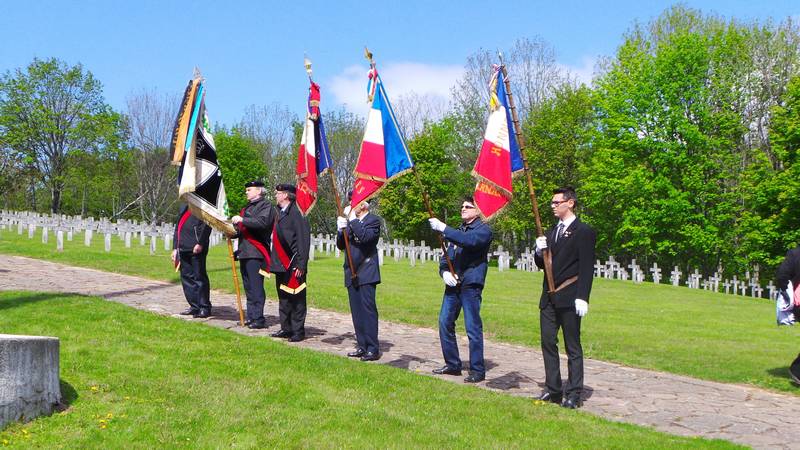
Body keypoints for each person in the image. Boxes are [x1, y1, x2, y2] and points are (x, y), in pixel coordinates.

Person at [534, 186, 596, 409]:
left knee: (572, 346)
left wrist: (583, 296)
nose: (552, 206)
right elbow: (544, 265)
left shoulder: (584, 231)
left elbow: (587, 266)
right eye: (552, 203)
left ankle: (574, 392)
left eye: (556, 202)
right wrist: (538, 251)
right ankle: (553, 389)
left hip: (570, 296)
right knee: (548, 342)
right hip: (549, 297)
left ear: (570, 203)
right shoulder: (551, 232)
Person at [428, 196, 493, 383]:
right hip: (453, 284)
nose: (463, 209)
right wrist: (444, 272)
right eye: (462, 206)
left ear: (478, 210)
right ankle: (453, 364)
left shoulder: (483, 230)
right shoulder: (458, 231)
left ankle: (477, 369)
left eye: (468, 206)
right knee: (444, 322)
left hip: (470, 284)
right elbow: (446, 256)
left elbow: (469, 242)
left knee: (472, 327)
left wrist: (443, 228)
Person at [336, 195, 382, 361]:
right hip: (351, 271)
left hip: (366, 271)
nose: (350, 204)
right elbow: (341, 245)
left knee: (368, 311)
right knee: (356, 312)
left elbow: (365, 238)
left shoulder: (373, 221)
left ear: (364, 204)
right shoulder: (351, 221)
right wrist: (340, 230)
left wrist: (353, 221)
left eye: (353, 201)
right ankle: (362, 345)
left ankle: (372, 348)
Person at [231, 180, 275, 329]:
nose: (246, 192)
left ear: (258, 191)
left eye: (249, 189)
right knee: (248, 287)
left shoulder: (266, 206)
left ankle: (258, 318)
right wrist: (230, 230)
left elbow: (262, 223)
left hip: (256, 252)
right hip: (245, 251)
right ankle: (251, 316)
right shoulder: (247, 208)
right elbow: (241, 230)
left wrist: (243, 219)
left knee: (256, 287)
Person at [269, 183, 311, 342]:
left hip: (293, 263)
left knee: (297, 298)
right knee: (283, 297)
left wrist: (301, 264)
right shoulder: (279, 212)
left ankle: (298, 331)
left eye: (278, 193)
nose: (276, 196)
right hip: (280, 263)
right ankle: (286, 328)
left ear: (286, 195)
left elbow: (303, 239)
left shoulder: (297, 213)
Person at [172, 203, 212, 318]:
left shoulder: (201, 206)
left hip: (196, 247)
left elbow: (206, 225)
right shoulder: (184, 206)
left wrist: (200, 243)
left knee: (199, 277)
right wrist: (175, 247)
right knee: (186, 278)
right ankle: (194, 306)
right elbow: (178, 227)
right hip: (183, 246)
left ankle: (204, 307)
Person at [775, 244, 800, 384]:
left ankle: (797, 370)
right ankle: (797, 370)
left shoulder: (794, 253)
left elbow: (782, 276)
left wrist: (788, 295)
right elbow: (782, 276)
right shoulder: (796, 254)